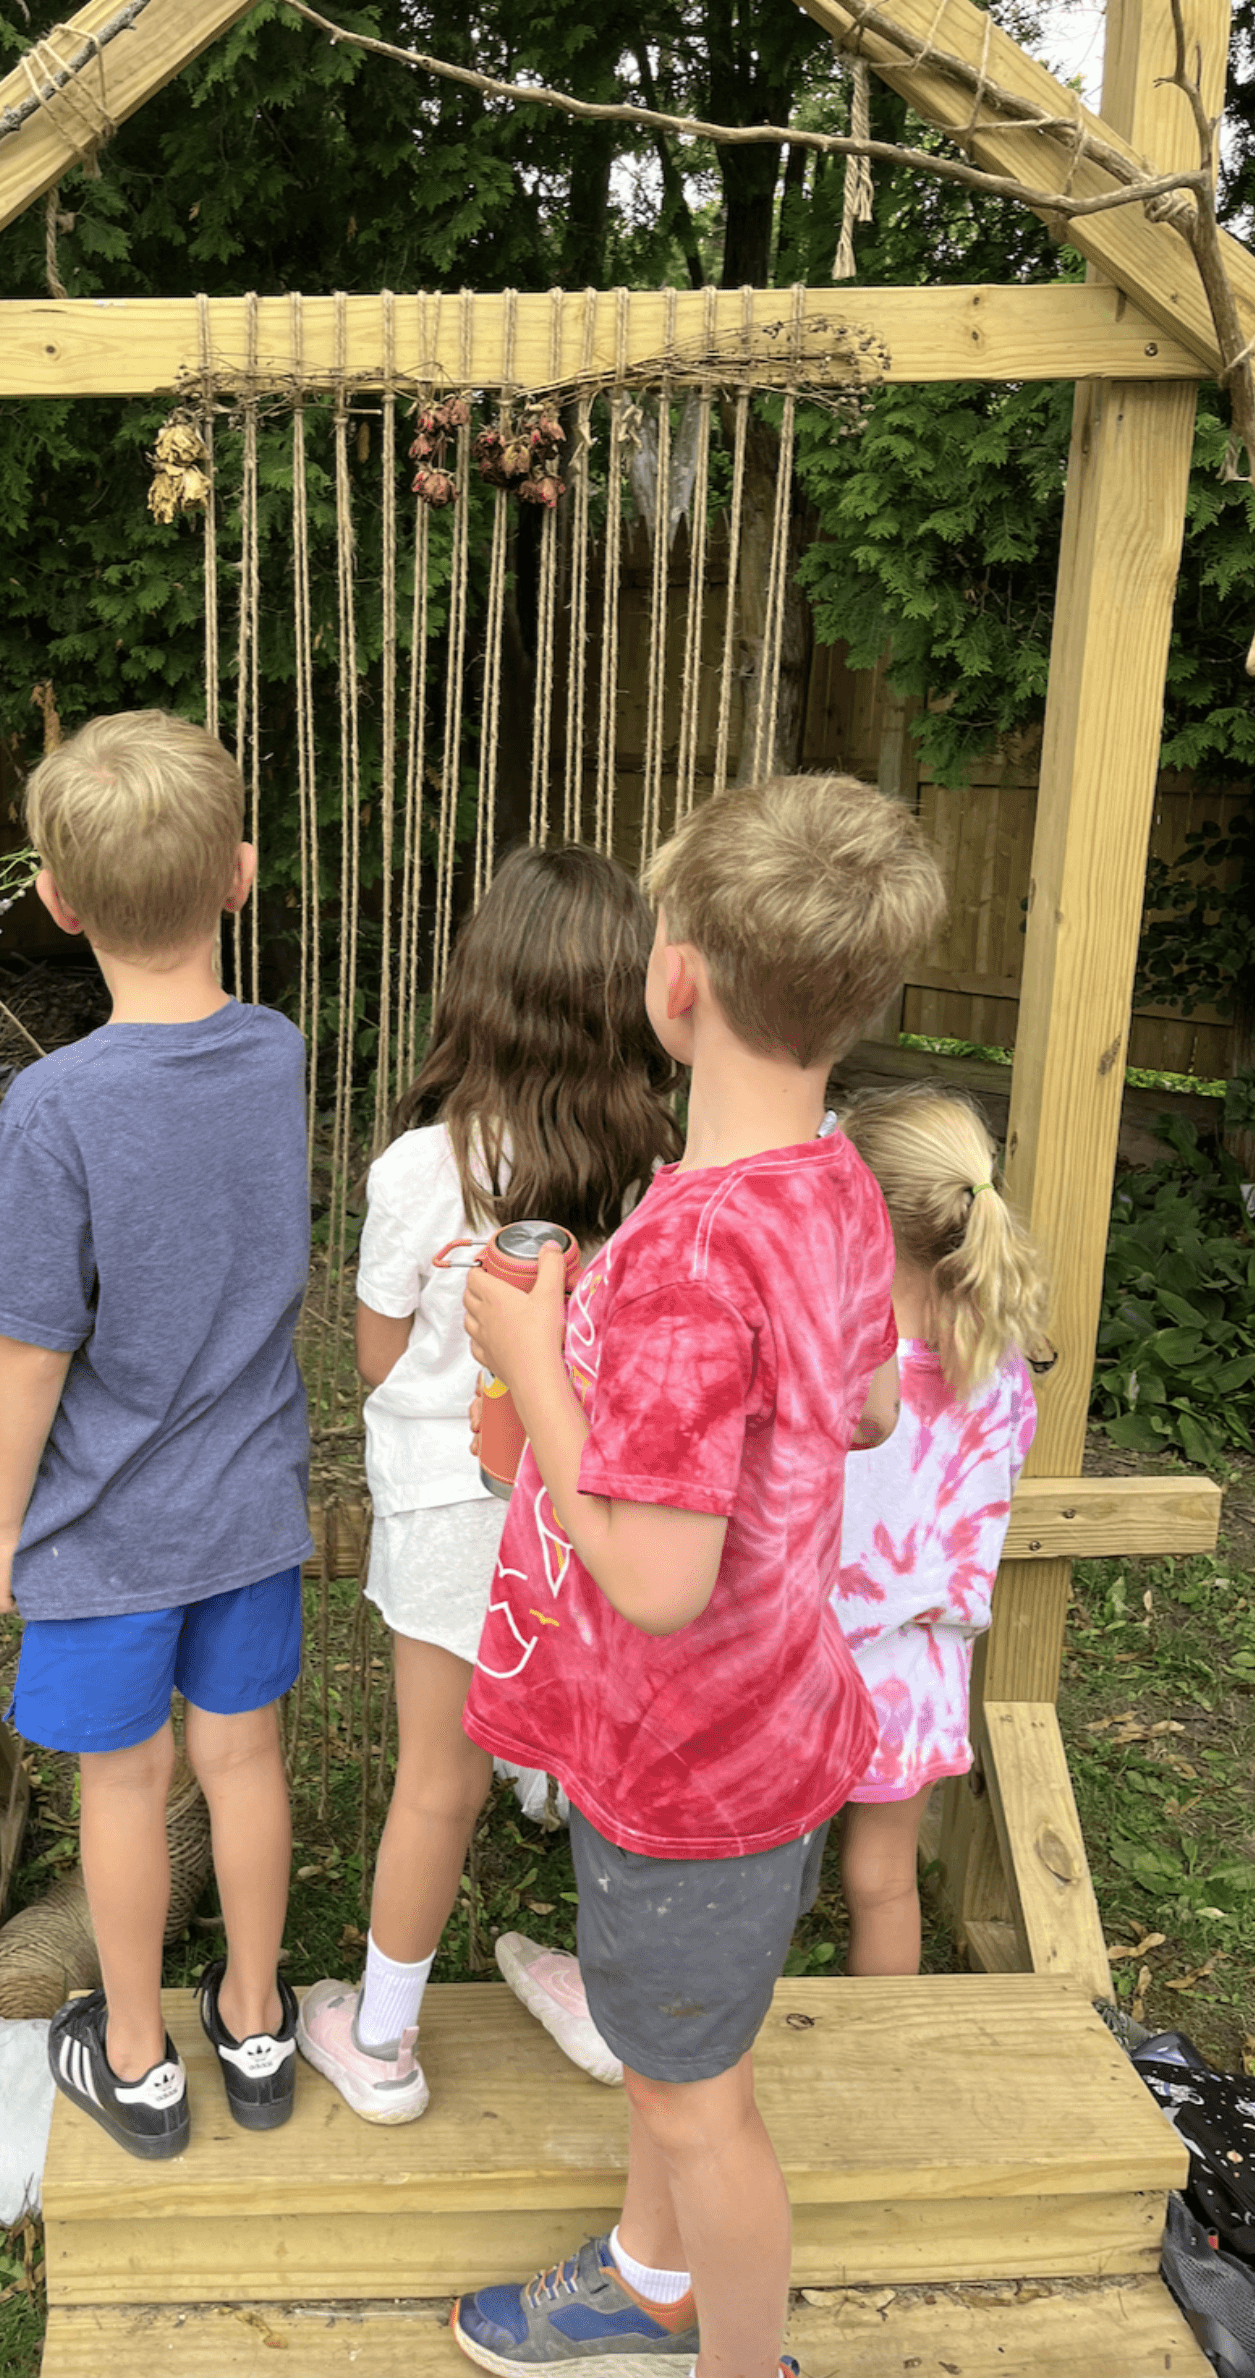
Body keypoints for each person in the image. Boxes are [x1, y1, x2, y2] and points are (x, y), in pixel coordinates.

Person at [450, 773, 946, 2378]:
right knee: (679, 2062)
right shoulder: (835, 1185)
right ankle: (648, 2276)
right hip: (785, 1726)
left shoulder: (689, 1252)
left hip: (687, 1767)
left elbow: (657, 1580)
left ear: (674, 984)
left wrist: (539, 1357)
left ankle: (737, 2353)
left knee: (695, 2101)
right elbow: (868, 1405)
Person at [0, 709, 311, 2161]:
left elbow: (32, 1348)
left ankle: (138, 2055)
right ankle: (259, 2019)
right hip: (251, 1503)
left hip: (104, 1523)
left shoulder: (56, 1104)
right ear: (239, 874)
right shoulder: (277, 1052)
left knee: (125, 1782)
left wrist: (0, 1522)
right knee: (245, 1761)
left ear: (54, 900)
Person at [296, 844, 678, 2123]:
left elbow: (374, 1353)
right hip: (598, 1509)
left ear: (478, 989)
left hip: (450, 1512)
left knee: (436, 1779)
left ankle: (381, 2041)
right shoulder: (657, 1170)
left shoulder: (419, 1168)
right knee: (604, 1765)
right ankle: (612, 2000)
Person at [831, 1085, 1048, 1976]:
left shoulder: (837, 1364)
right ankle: (883, 2040)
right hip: (923, 1667)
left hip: (805, 1659)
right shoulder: (999, 1368)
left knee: (752, 1870)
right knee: (883, 1880)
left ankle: (734, 2038)